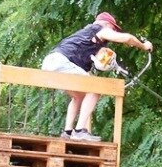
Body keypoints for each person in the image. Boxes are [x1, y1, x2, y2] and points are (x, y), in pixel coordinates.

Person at [41, 12, 153, 141]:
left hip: (52, 62)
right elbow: (127, 38)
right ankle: (79, 131)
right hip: (61, 62)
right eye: (113, 28)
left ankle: (67, 132)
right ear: (107, 24)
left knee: (79, 96)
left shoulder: (86, 37)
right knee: (96, 88)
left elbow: (97, 62)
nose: (113, 31)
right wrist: (144, 46)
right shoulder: (100, 29)